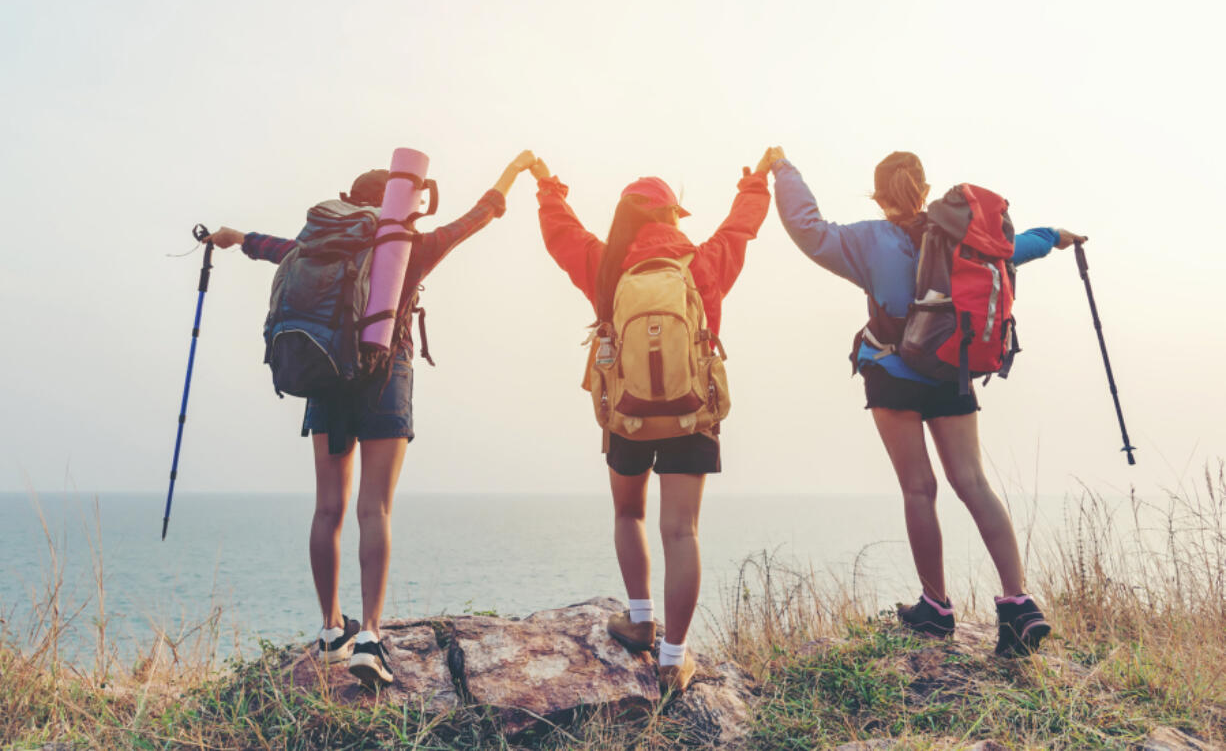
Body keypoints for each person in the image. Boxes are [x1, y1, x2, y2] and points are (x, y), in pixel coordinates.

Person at [202, 151, 535, 686]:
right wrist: (513, 174)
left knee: (327, 509)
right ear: (398, 205)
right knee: (373, 508)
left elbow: (269, 249)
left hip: (327, 376)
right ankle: (372, 636)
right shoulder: (408, 248)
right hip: (385, 379)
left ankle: (331, 629)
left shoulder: (319, 244)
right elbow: (479, 215)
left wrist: (231, 236)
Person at [770, 147, 1086, 657]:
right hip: (951, 371)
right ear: (924, 189)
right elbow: (1012, 248)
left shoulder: (866, 240)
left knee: (919, 489)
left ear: (877, 195)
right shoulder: (960, 238)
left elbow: (809, 229)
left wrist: (784, 172)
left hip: (893, 374)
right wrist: (1055, 236)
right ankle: (1019, 605)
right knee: (974, 484)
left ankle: (936, 609)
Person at [530, 150, 774, 691]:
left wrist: (549, 187)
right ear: (671, 218)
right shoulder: (703, 262)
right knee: (681, 531)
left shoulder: (605, 262)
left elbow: (559, 233)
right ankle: (673, 657)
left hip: (626, 416)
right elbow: (742, 225)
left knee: (628, 513)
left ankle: (641, 621)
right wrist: (757, 182)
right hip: (692, 415)